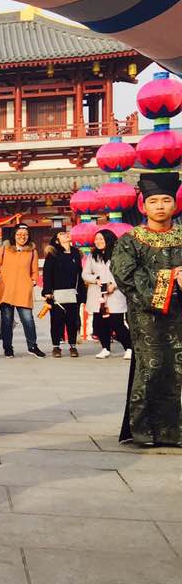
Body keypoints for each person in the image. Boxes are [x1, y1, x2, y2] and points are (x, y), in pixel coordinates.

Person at [112, 172, 182, 447]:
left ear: (175, 204)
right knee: (151, 367)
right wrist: (167, 281)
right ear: (143, 205)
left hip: (180, 314)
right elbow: (124, 275)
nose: (160, 206)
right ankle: (144, 430)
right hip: (147, 316)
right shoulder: (131, 240)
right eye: (154, 201)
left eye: (166, 200)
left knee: (178, 369)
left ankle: (175, 430)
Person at [0, 224, 44, 358]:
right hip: (5, 289)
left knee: (28, 320)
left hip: (23, 289)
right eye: (19, 234)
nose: (22, 237)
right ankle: (8, 347)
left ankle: (32, 346)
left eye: (25, 234)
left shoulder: (32, 251)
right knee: (7, 321)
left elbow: (34, 271)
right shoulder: (6, 248)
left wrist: (33, 280)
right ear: (14, 235)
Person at [84, 229, 132, 360]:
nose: (98, 242)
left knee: (116, 322)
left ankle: (129, 347)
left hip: (114, 294)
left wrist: (114, 285)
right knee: (100, 323)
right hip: (97, 295)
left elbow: (125, 273)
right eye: (96, 239)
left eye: (101, 239)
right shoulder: (92, 256)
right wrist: (95, 280)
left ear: (108, 239)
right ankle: (105, 348)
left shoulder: (119, 254)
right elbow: (85, 274)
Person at [43, 230, 83, 356]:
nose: (65, 234)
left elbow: (79, 273)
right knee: (57, 321)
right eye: (61, 234)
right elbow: (47, 273)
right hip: (56, 293)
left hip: (73, 292)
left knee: (72, 320)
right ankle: (56, 346)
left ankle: (72, 345)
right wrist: (48, 290)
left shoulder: (76, 253)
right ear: (57, 240)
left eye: (66, 233)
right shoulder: (53, 253)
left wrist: (82, 291)